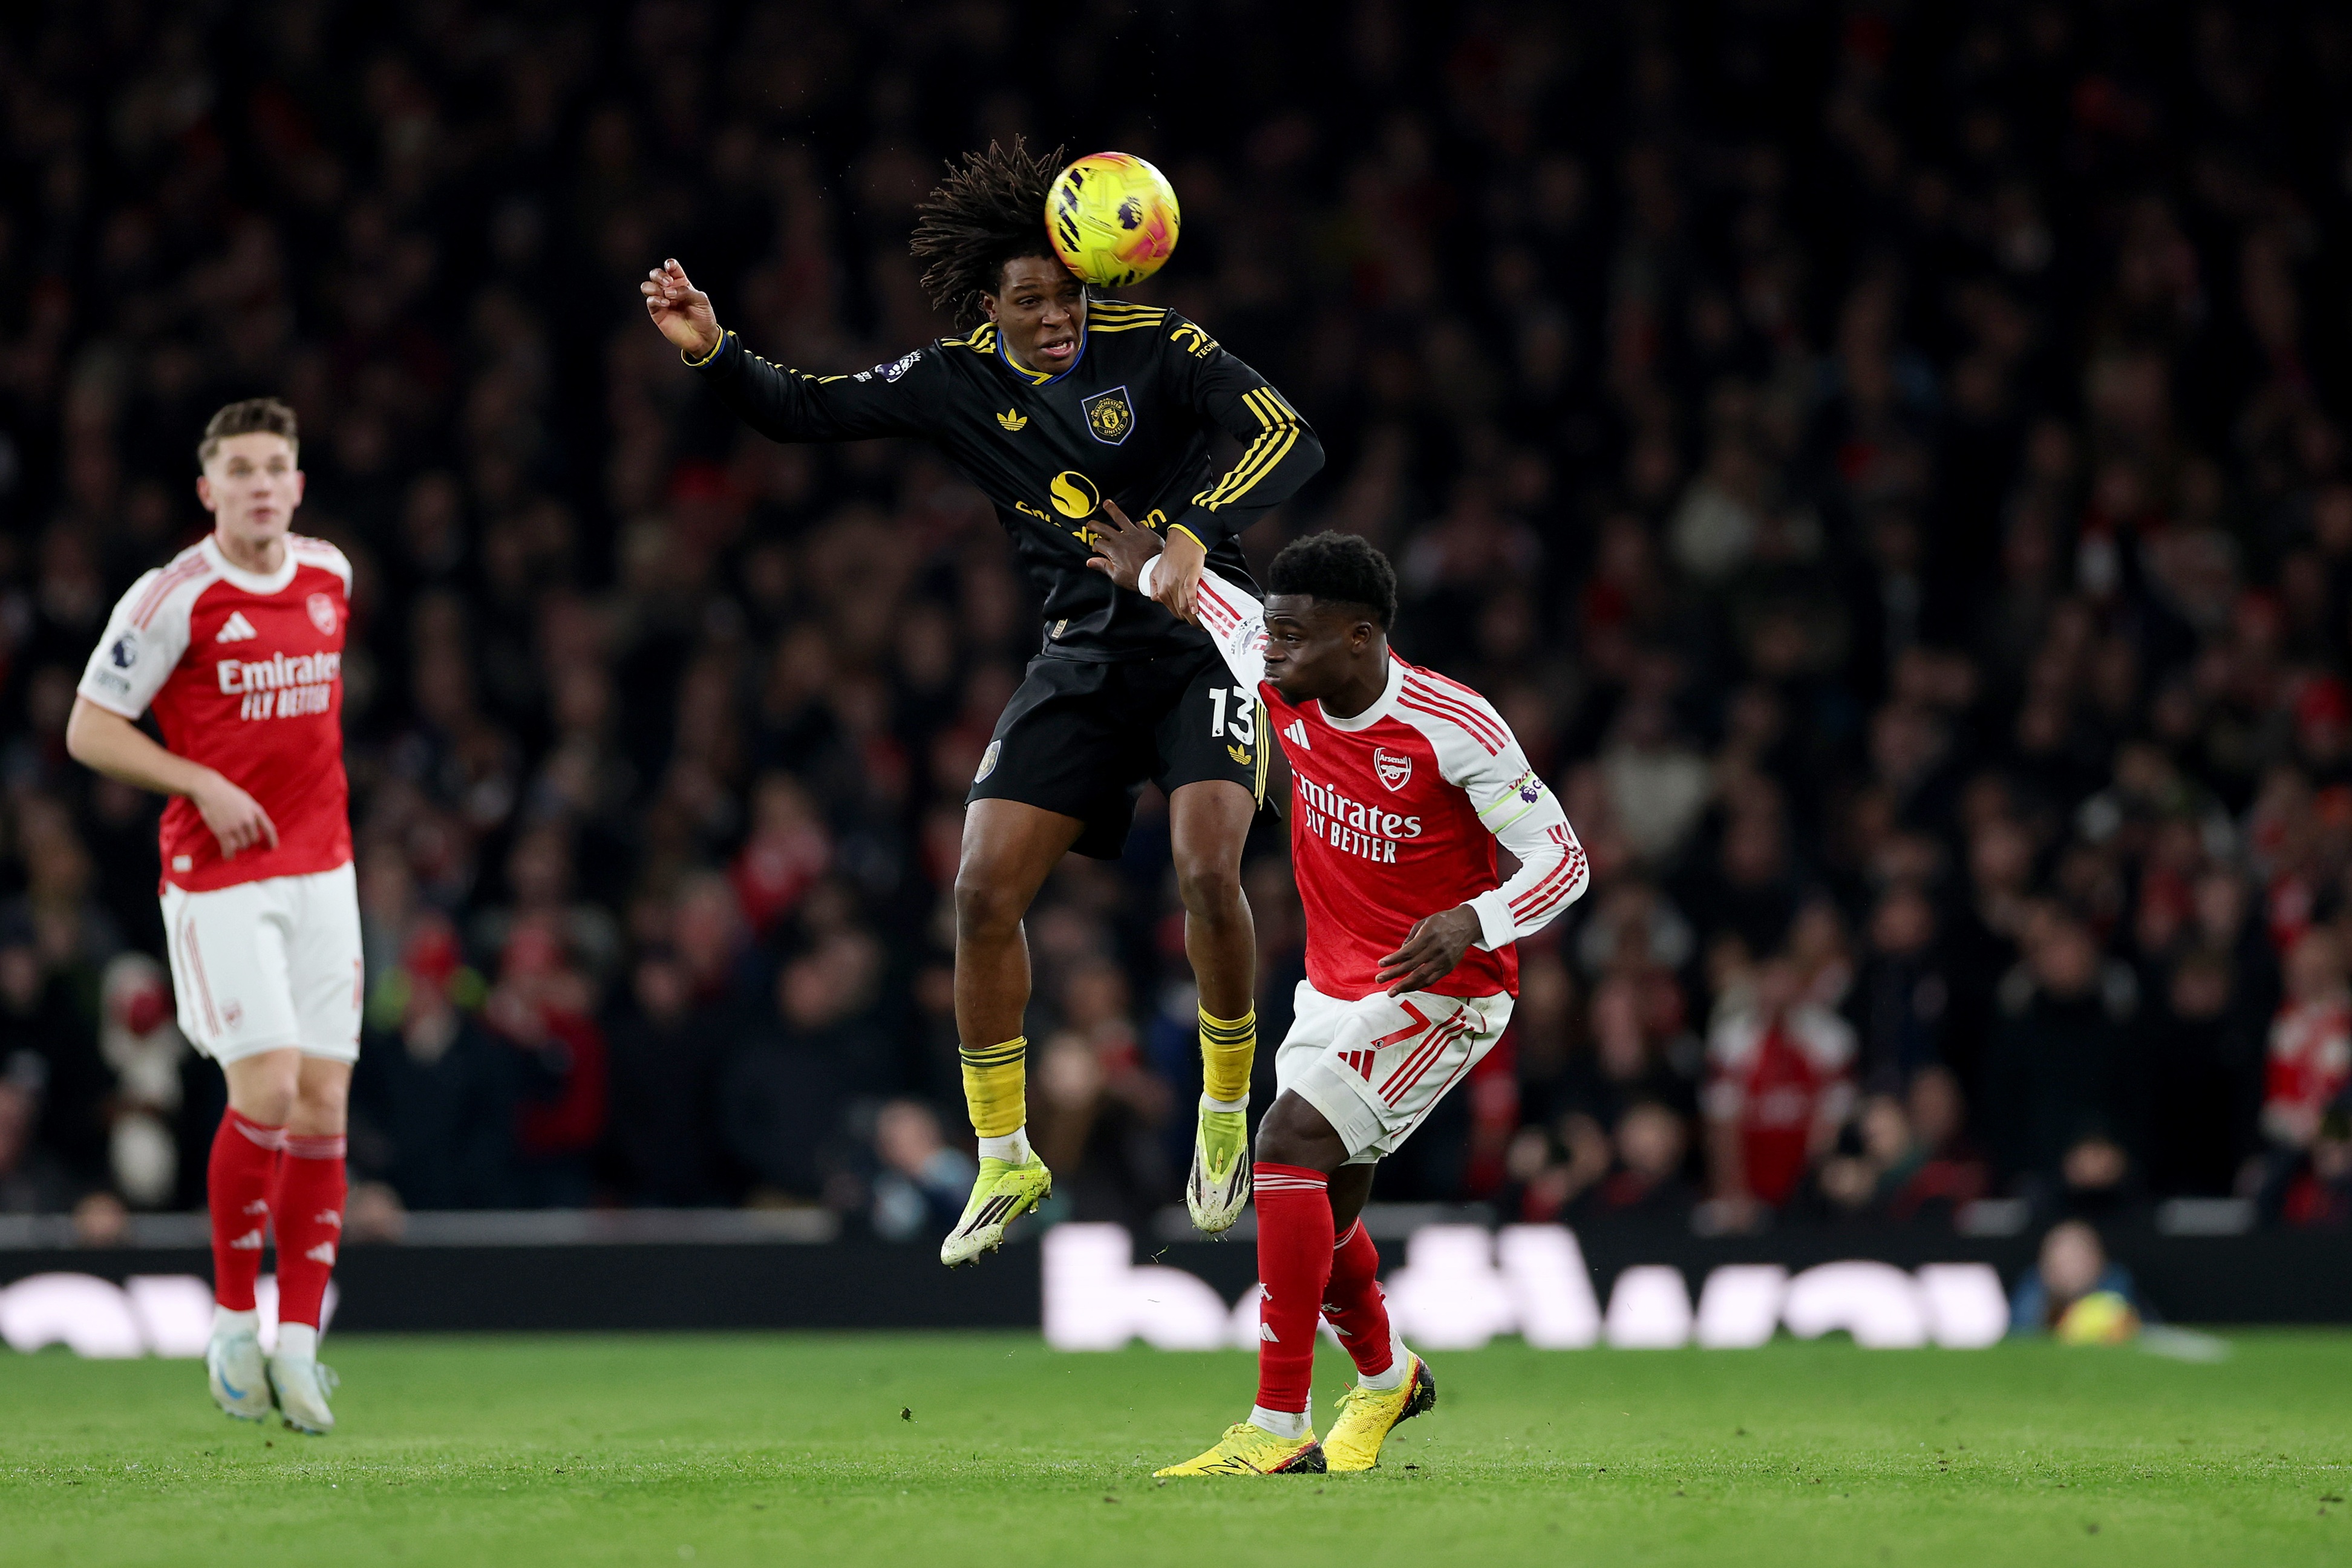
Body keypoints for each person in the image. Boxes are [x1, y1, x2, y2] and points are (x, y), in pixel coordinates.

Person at [641, 140, 1324, 1266]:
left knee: (1208, 867)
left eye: (1068, 294)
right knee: (977, 891)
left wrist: (1190, 538)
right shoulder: (954, 379)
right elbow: (805, 410)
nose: (1057, 316)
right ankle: (1005, 1158)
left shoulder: (1160, 345)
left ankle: (1221, 1106)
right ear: (990, 306)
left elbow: (1286, 431)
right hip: (1082, 660)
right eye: (1030, 301)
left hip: (1205, 643)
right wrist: (715, 352)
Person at [1088, 513, 1588, 1477]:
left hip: (1448, 990)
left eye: (1293, 636)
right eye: (1270, 631)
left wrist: (1472, 922)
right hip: (1337, 984)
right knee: (1326, 1205)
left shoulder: (1455, 728)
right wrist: (1145, 562)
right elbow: (1206, 602)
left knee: (1286, 1147)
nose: (1268, 650)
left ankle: (1277, 1431)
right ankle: (1388, 1374)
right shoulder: (1276, 665)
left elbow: (1563, 861)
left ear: (1360, 638)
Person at [65, 398, 356, 1434]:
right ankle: (235, 1317)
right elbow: (89, 728)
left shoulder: (330, 577)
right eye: (240, 469)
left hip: (326, 872)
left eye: (276, 465)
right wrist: (198, 780)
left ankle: (299, 1345)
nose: (261, 484)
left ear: (298, 482)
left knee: (323, 1103)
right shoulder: (172, 596)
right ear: (208, 490)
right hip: (218, 878)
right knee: (269, 1083)